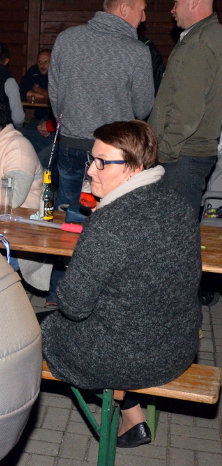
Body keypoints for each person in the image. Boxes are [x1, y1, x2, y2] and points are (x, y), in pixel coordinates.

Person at [40, 120, 201, 448]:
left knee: (30, 328)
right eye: (92, 159)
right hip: (176, 347)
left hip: (127, 359)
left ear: (135, 167)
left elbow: (73, 306)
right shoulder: (178, 204)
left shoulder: (110, 223)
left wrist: (82, 263)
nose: (90, 170)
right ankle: (133, 416)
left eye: (103, 162)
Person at [49, 0, 154, 208]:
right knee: (110, 212)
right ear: (124, 8)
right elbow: (143, 108)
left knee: (66, 212)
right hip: (113, 152)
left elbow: (54, 93)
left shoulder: (66, 39)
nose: (144, 18)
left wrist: (71, 121)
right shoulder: (137, 52)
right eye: (141, 11)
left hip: (71, 142)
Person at [148, 0, 222, 220]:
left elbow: (187, 111)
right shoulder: (204, 37)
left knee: (174, 230)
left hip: (182, 155)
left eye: (177, 2)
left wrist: (163, 152)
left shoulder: (200, 43)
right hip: (186, 153)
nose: (172, 9)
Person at [19, 49, 52, 128]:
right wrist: (43, 95)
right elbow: (22, 90)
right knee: (24, 132)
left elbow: (57, 96)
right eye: (40, 62)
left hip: (53, 119)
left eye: (46, 62)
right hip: (38, 117)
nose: (42, 65)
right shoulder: (34, 71)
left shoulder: (58, 74)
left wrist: (40, 90)